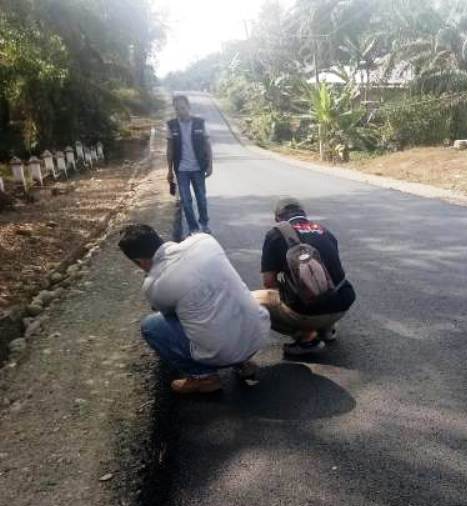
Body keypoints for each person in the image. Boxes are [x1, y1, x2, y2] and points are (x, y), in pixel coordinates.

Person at [119, 224, 270, 394]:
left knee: (152, 325)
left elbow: (167, 314)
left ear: (139, 262)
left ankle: (203, 377)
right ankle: (243, 362)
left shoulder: (154, 284)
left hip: (223, 352)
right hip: (258, 335)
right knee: (219, 298)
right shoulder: (204, 240)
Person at [254, 198, 356, 356]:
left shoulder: (275, 234)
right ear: (304, 215)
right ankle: (326, 329)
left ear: (277, 219)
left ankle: (306, 337)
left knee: (253, 300)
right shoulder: (324, 230)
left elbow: (269, 282)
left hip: (308, 313)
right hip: (342, 303)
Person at [167, 95, 213, 235]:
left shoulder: (200, 123)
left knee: (201, 198)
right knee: (186, 201)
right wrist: (169, 170)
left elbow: (207, 146)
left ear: (188, 107)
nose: (180, 111)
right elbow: (170, 149)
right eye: (177, 109)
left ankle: (204, 224)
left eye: (182, 108)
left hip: (198, 168)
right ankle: (193, 228)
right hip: (181, 170)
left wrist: (210, 165)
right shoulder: (171, 125)